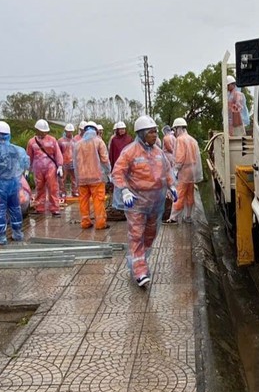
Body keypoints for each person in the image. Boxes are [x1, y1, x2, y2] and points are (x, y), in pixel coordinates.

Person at [111, 115, 176, 288]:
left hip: (155, 203)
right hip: (136, 203)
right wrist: (124, 190)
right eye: (151, 132)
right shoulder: (130, 151)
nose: (155, 135)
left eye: (155, 131)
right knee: (136, 235)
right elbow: (117, 172)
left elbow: (167, 170)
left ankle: (138, 260)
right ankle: (140, 271)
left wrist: (172, 186)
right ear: (141, 133)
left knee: (150, 235)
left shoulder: (157, 152)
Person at [73, 121, 111, 230]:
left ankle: (85, 222)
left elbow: (75, 163)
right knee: (98, 200)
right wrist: (109, 172)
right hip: (97, 177)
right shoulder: (99, 142)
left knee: (83, 201)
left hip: (82, 178)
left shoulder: (77, 144)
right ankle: (100, 223)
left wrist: (77, 178)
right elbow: (105, 159)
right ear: (96, 130)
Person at [166, 117, 203, 224]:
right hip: (192, 171)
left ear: (178, 128)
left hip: (184, 170)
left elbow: (180, 157)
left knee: (180, 193)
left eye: (175, 129)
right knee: (189, 193)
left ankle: (173, 218)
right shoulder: (192, 140)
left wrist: (175, 170)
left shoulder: (180, 140)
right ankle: (188, 216)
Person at [26, 118, 64, 217]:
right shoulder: (31, 142)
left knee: (53, 187)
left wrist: (60, 166)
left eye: (45, 132)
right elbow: (29, 156)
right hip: (38, 168)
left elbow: (57, 153)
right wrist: (27, 168)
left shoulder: (52, 140)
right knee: (39, 187)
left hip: (50, 167)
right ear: (37, 130)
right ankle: (39, 207)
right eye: (41, 131)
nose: (43, 133)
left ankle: (55, 209)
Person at [58, 123, 78, 200]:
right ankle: (62, 192)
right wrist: (58, 163)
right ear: (65, 131)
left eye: (71, 131)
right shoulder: (60, 141)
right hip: (63, 162)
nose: (70, 133)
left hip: (73, 162)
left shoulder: (75, 141)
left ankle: (75, 191)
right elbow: (57, 152)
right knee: (62, 178)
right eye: (68, 131)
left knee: (74, 178)